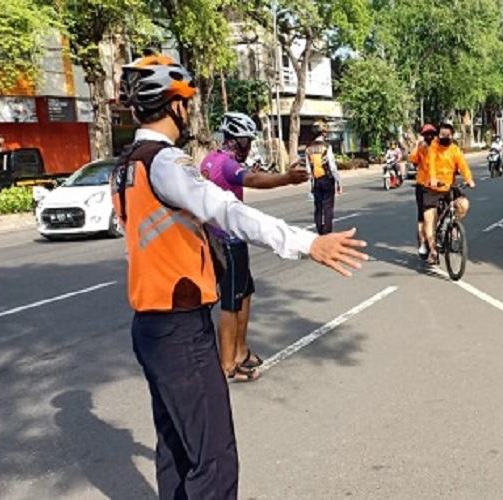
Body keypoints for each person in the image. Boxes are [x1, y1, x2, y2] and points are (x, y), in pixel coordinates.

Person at [111, 55, 367, 499]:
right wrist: (307, 243)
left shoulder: (125, 166)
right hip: (179, 329)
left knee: (176, 447)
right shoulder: (166, 162)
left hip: (149, 326)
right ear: (174, 107)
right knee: (214, 458)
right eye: (186, 103)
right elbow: (228, 210)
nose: (189, 111)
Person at [201, 111, 310, 383]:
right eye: (247, 141)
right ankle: (228, 363)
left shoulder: (209, 159)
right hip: (228, 241)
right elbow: (252, 180)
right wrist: (287, 178)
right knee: (231, 303)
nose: (249, 147)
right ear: (235, 140)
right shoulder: (226, 164)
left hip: (224, 238)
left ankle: (240, 350)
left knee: (245, 293)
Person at [425, 123, 476, 264]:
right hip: (433, 188)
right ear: (438, 135)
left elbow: (463, 165)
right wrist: (433, 179)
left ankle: (452, 223)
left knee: (463, 204)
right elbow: (431, 166)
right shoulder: (433, 148)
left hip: (449, 187)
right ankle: (433, 252)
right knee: (430, 218)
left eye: (448, 135)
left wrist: (469, 179)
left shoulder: (455, 150)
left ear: (452, 136)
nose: (445, 137)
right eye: (442, 135)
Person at [307, 120, 342, 234]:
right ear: (323, 133)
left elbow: (309, 169)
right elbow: (332, 166)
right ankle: (327, 231)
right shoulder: (326, 147)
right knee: (327, 207)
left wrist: (311, 185)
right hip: (327, 179)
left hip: (316, 180)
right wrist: (338, 181)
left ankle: (319, 230)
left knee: (318, 207)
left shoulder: (308, 148)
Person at [409, 124, 437, 258]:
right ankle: (423, 243)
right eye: (427, 134)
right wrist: (417, 146)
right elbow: (412, 159)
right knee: (422, 217)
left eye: (432, 134)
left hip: (440, 185)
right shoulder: (421, 148)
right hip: (423, 186)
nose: (429, 137)